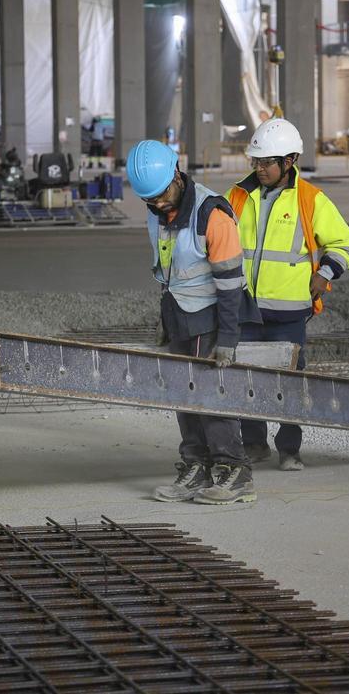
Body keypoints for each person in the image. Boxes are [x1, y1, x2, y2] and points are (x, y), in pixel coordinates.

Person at [126, 139, 257, 505]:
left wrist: (227, 339)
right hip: (180, 316)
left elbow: (230, 286)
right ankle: (197, 467)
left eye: (161, 195)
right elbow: (169, 268)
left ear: (177, 174)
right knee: (183, 396)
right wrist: (166, 316)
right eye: (149, 199)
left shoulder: (211, 214)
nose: (157, 204)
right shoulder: (157, 211)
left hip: (210, 318)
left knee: (210, 395)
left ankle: (235, 472)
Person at [226, 118, 349, 471]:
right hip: (245, 307)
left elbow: (344, 242)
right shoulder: (237, 196)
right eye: (256, 161)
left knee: (290, 381)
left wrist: (325, 273)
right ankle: (254, 444)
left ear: (290, 161)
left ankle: (289, 450)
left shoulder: (310, 199)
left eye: (267, 162)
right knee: (246, 379)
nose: (260, 168)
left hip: (289, 313)